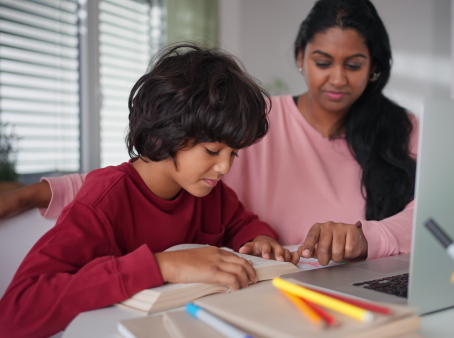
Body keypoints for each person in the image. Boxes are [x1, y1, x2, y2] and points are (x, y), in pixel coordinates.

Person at [0, 0, 418, 266]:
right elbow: (142, 176)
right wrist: (32, 193)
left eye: (355, 64)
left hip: (360, 277)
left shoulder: (402, 129)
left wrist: (368, 237)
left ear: (375, 67)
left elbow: (429, 216)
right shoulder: (251, 121)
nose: (337, 79)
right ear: (300, 57)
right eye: (323, 61)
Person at [0, 43, 295, 337]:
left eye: (233, 154)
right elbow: (14, 312)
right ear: (159, 137)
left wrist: (259, 239)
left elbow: (241, 223)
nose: (225, 168)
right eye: (213, 151)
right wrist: (161, 266)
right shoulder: (105, 199)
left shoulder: (208, 191)